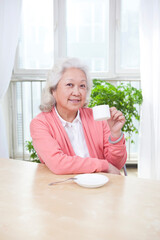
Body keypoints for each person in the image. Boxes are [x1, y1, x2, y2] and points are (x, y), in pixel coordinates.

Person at [30, 58, 127, 175]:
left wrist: (115, 134)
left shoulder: (97, 118)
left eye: (82, 86)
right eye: (69, 85)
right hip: (64, 188)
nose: (76, 92)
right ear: (53, 90)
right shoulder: (40, 124)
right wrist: (103, 165)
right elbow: (58, 164)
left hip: (99, 187)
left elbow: (115, 165)